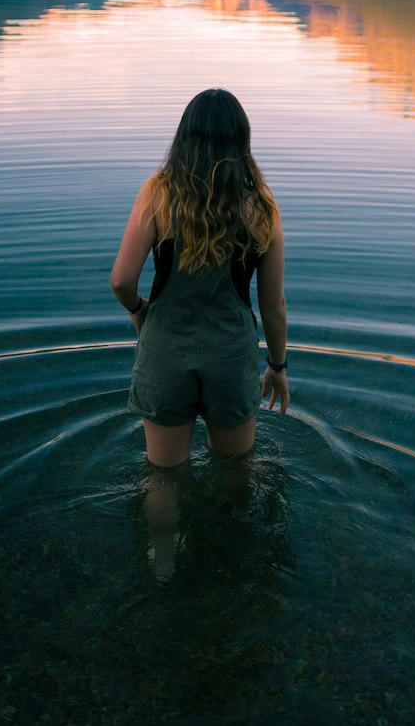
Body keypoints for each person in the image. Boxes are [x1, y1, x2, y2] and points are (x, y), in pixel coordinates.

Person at [110, 87, 289, 470]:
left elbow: (121, 281)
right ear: (242, 141)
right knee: (236, 473)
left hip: (165, 353)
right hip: (232, 355)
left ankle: (160, 533)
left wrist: (140, 310)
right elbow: (273, 307)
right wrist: (277, 366)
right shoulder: (262, 207)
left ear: (184, 137)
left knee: (162, 480)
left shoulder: (157, 194)